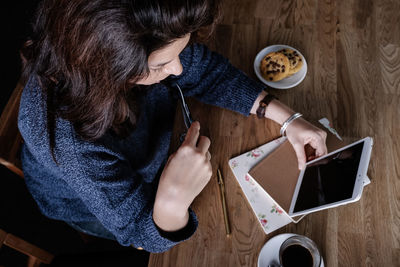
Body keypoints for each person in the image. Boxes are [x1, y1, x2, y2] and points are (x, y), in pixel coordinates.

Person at [18, 0, 327, 253]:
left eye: (178, 53)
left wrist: (288, 119)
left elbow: (205, 72)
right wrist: (171, 202)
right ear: (110, 69)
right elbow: (140, 233)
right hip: (90, 204)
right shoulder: (72, 143)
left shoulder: (140, 30)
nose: (177, 68)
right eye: (160, 66)